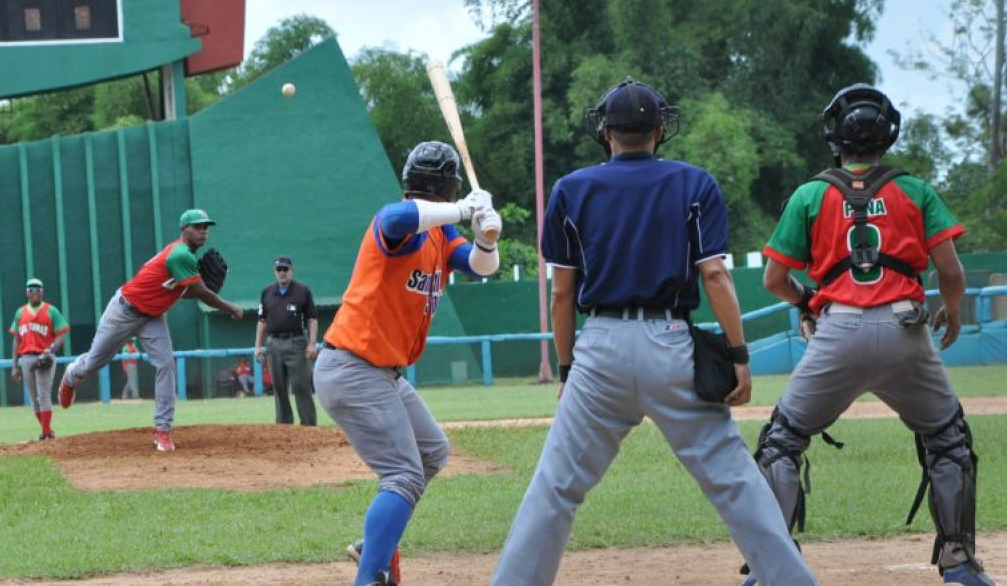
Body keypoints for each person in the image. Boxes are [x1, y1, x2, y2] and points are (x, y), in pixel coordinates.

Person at [490, 79, 819, 586]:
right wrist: (738, 353)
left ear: (606, 132)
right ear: (660, 129)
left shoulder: (571, 189)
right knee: (735, 483)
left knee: (555, 488)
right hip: (671, 342)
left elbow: (561, 295)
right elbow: (714, 276)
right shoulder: (693, 183)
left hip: (599, 345)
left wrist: (568, 369)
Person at [753, 84, 994, 586]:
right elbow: (950, 270)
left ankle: (771, 569)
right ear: (887, 134)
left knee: (781, 442)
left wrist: (806, 304)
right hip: (907, 327)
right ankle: (958, 562)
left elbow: (774, 280)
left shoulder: (811, 194)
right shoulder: (915, 189)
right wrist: (950, 311)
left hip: (838, 327)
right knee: (948, 441)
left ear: (834, 136)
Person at [314, 141, 501, 586]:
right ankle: (371, 574)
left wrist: (486, 236)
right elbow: (394, 219)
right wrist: (461, 209)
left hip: (380, 372)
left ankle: (373, 546)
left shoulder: (440, 233)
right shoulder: (400, 223)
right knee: (402, 472)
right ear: (450, 186)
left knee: (432, 451)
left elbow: (480, 268)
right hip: (353, 366)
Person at [57, 208, 244, 452]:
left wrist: (200, 289)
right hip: (124, 311)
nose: (203, 231)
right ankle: (72, 376)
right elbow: (200, 292)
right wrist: (231, 308)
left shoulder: (184, 257)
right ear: (183, 230)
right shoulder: (180, 255)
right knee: (95, 361)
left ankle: (162, 430)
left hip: (153, 316)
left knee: (166, 365)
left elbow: (180, 290)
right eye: (197, 227)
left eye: (205, 227)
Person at [254, 255, 320, 425]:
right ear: (274, 272)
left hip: (296, 341)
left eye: (285, 269)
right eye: (279, 269)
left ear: (292, 270)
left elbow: (312, 319)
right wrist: (257, 346)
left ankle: (309, 426)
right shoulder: (267, 292)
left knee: (302, 386)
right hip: (274, 343)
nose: (282, 272)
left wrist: (312, 343)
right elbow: (262, 320)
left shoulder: (302, 291)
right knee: (279, 388)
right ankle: (283, 428)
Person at [8, 278, 70, 440]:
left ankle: (45, 433)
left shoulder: (51, 311)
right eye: (31, 289)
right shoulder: (20, 312)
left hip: (44, 357)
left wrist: (50, 350)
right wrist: (14, 365)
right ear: (27, 292)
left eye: (37, 289)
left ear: (42, 291)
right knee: (33, 398)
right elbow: (16, 339)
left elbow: (61, 333)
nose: (34, 292)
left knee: (43, 395)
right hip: (26, 358)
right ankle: (48, 431)